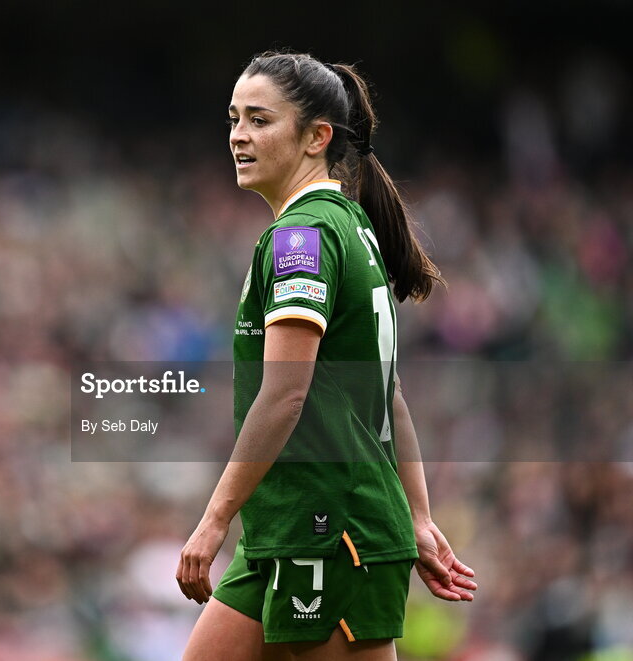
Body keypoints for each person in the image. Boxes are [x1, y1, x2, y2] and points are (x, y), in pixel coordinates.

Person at [177, 51, 478, 661]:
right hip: (283, 530)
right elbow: (386, 397)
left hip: (331, 531)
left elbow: (285, 393)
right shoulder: (350, 228)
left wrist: (213, 521)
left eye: (260, 120)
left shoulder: (302, 237)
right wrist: (416, 516)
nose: (238, 135)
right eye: (234, 118)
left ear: (317, 137)